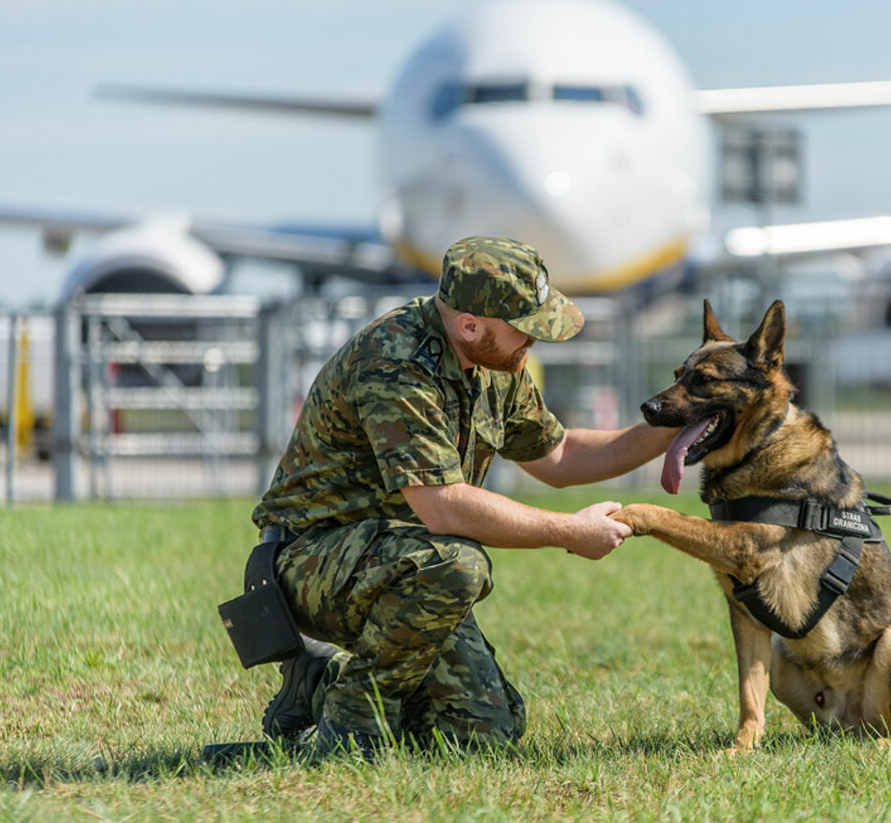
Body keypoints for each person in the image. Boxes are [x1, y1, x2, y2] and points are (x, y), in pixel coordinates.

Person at [248, 235, 677, 754]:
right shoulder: (397, 360)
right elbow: (443, 506)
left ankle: (317, 683)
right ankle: (351, 727)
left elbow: (559, 456)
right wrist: (570, 532)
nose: (532, 343)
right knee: (458, 564)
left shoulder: (496, 362)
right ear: (469, 325)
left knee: (488, 729)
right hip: (310, 559)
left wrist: (673, 425)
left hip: (399, 560)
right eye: (524, 330)